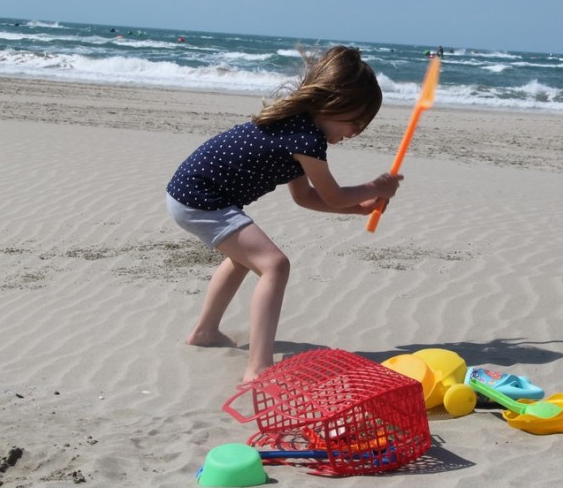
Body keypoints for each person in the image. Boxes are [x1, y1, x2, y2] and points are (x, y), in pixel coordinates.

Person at [165, 45, 402, 383]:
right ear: (336, 102)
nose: (354, 132)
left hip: (190, 193)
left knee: (243, 259)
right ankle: (258, 367)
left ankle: (205, 331)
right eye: (356, 122)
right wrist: (377, 187)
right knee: (275, 264)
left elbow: (305, 197)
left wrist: (358, 209)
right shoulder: (305, 137)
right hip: (201, 197)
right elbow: (332, 195)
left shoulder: (297, 128)